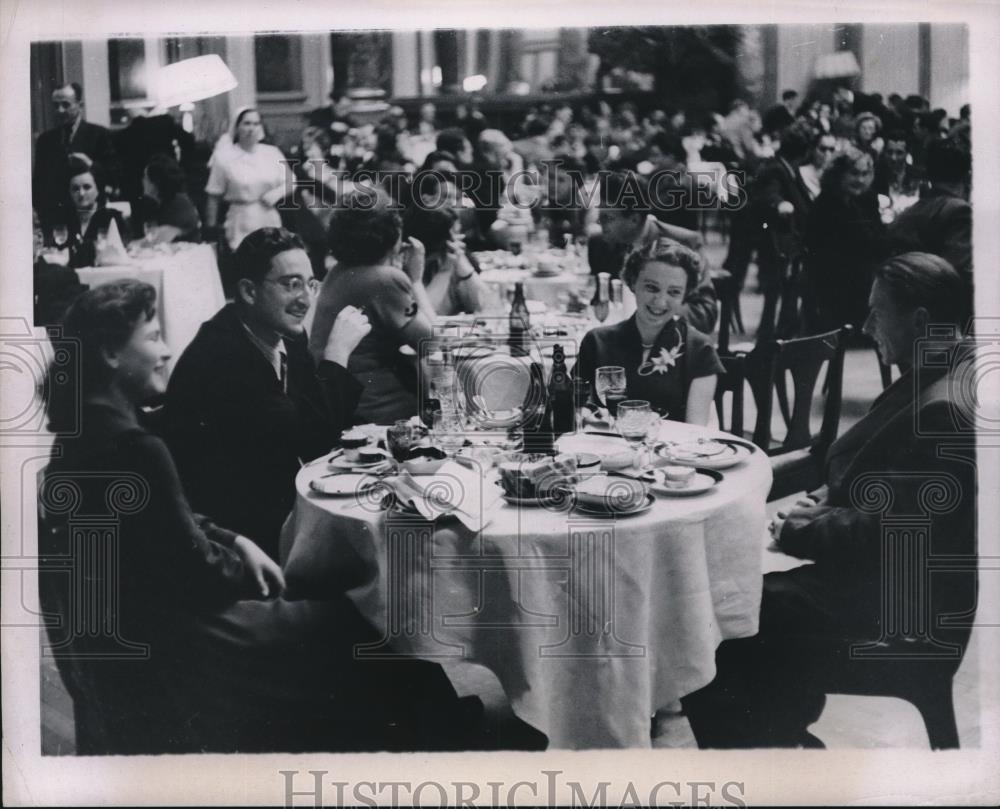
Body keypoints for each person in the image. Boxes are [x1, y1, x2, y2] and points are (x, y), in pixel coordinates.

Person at [40, 280, 479, 754]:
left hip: (146, 634)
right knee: (366, 627)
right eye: (152, 337)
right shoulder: (137, 448)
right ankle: (429, 737)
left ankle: (428, 723)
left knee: (341, 619)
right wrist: (246, 574)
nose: (166, 351)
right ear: (109, 354)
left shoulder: (81, 436)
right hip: (189, 644)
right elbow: (196, 569)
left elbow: (170, 522)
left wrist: (236, 541)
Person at [680, 252, 977, 748]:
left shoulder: (943, 408)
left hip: (895, 612)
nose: (865, 325)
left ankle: (768, 751)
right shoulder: (942, 365)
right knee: (731, 598)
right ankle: (779, 731)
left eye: (877, 313)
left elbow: (884, 535)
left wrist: (801, 526)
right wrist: (822, 499)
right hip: (887, 584)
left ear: (920, 319)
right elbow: (872, 473)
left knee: (718, 615)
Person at [164, 228, 369, 561]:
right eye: (290, 284)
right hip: (234, 538)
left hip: (274, 508)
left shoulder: (285, 337)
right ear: (248, 291)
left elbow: (316, 437)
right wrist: (337, 355)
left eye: (310, 284)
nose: (305, 299)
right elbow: (310, 438)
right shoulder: (222, 355)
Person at [309, 187, 435, 424]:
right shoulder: (384, 279)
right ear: (391, 234)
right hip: (382, 411)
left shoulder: (338, 271)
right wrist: (415, 280)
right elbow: (433, 341)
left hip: (350, 407)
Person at [574, 240, 723, 423]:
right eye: (651, 288)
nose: (660, 301)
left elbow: (696, 432)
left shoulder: (700, 349)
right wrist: (584, 415)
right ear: (632, 283)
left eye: (674, 292)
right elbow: (575, 410)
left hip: (672, 450)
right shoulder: (596, 342)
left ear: (686, 295)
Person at [587, 171, 718, 334]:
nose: (600, 224)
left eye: (608, 218)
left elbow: (704, 316)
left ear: (634, 219)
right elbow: (596, 302)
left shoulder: (685, 245)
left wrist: (654, 307)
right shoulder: (600, 244)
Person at [803, 145, 889, 334]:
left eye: (865, 174)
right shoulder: (826, 204)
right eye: (854, 173)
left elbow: (877, 237)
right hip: (836, 283)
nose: (860, 180)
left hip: (862, 273)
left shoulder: (866, 199)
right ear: (838, 174)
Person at [749, 122, 816, 341]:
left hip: (789, 239)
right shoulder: (776, 169)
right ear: (804, 153)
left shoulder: (788, 167)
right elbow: (770, 194)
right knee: (779, 288)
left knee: (783, 289)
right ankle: (777, 330)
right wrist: (780, 205)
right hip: (779, 239)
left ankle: (785, 325)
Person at [888, 137, 972, 310]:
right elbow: (954, 276)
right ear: (968, 175)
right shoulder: (959, 211)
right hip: (939, 315)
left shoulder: (909, 213)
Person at [204, 108, 292, 258]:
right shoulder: (224, 157)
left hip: (269, 217)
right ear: (237, 127)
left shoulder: (272, 152)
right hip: (240, 220)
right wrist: (211, 232)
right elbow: (213, 195)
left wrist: (277, 193)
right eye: (247, 123)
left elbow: (291, 181)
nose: (252, 128)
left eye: (256, 124)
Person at [33, 82, 117, 235]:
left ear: (80, 104)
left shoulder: (99, 135)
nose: (60, 110)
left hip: (90, 220)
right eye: (55, 105)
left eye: (66, 104)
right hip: (56, 222)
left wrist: (90, 164)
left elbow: (114, 176)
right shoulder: (45, 140)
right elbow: (38, 183)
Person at [403, 185, 487, 316]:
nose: (458, 242)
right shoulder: (405, 272)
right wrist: (445, 271)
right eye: (453, 236)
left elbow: (484, 305)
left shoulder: (454, 260)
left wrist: (462, 263)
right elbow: (423, 319)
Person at [59, 157, 129, 269]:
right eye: (75, 189)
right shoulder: (63, 219)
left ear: (98, 189)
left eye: (87, 187)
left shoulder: (112, 217)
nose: (81, 193)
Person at [140, 153, 201, 244]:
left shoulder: (178, 205)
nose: (142, 180)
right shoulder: (165, 202)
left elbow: (156, 240)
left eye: (145, 177)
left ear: (155, 184)